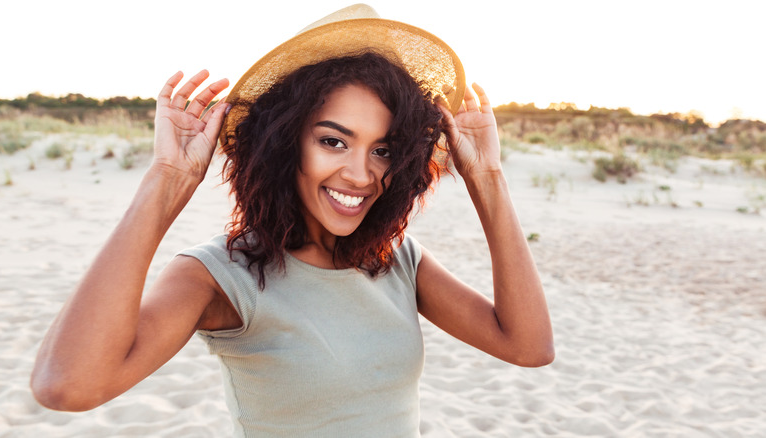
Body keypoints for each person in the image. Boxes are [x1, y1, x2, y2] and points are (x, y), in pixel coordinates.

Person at [31, 4, 553, 436]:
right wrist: (166, 181)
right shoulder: (218, 276)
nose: (360, 174)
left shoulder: (397, 261)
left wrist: (488, 178)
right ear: (285, 142)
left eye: (383, 149)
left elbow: (527, 347)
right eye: (333, 141)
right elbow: (68, 386)